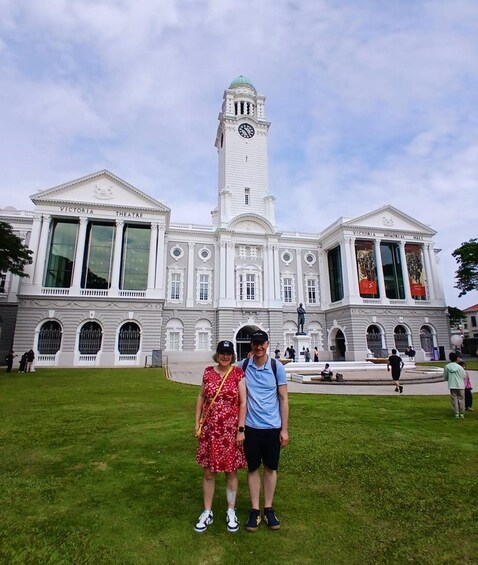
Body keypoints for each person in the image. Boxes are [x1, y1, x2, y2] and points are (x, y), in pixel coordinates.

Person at [194, 340, 247, 533]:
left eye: (228, 353)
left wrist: (241, 429)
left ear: (232, 355)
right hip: (210, 431)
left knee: (231, 472)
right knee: (209, 472)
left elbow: (243, 402)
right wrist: (197, 423)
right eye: (222, 352)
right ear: (217, 354)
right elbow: (201, 397)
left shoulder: (238, 373)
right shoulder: (208, 372)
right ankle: (207, 511)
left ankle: (230, 510)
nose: (225, 356)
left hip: (230, 432)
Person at [242, 330, 289, 532]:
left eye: (262, 343)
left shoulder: (276, 367)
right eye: (255, 343)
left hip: (272, 427)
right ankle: (254, 510)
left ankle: (268, 508)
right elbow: (223, 370)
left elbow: (284, 399)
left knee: (270, 468)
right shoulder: (243, 366)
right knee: (252, 468)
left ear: (267, 345)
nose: (258, 347)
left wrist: (284, 429)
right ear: (251, 346)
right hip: (251, 427)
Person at [443, 352, 466, 418]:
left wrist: (449, 379)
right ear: (456, 358)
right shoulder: (459, 367)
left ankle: (456, 413)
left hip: (452, 384)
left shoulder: (447, 366)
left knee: (454, 399)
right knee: (461, 398)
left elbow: (445, 376)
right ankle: (461, 413)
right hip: (460, 385)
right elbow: (464, 376)